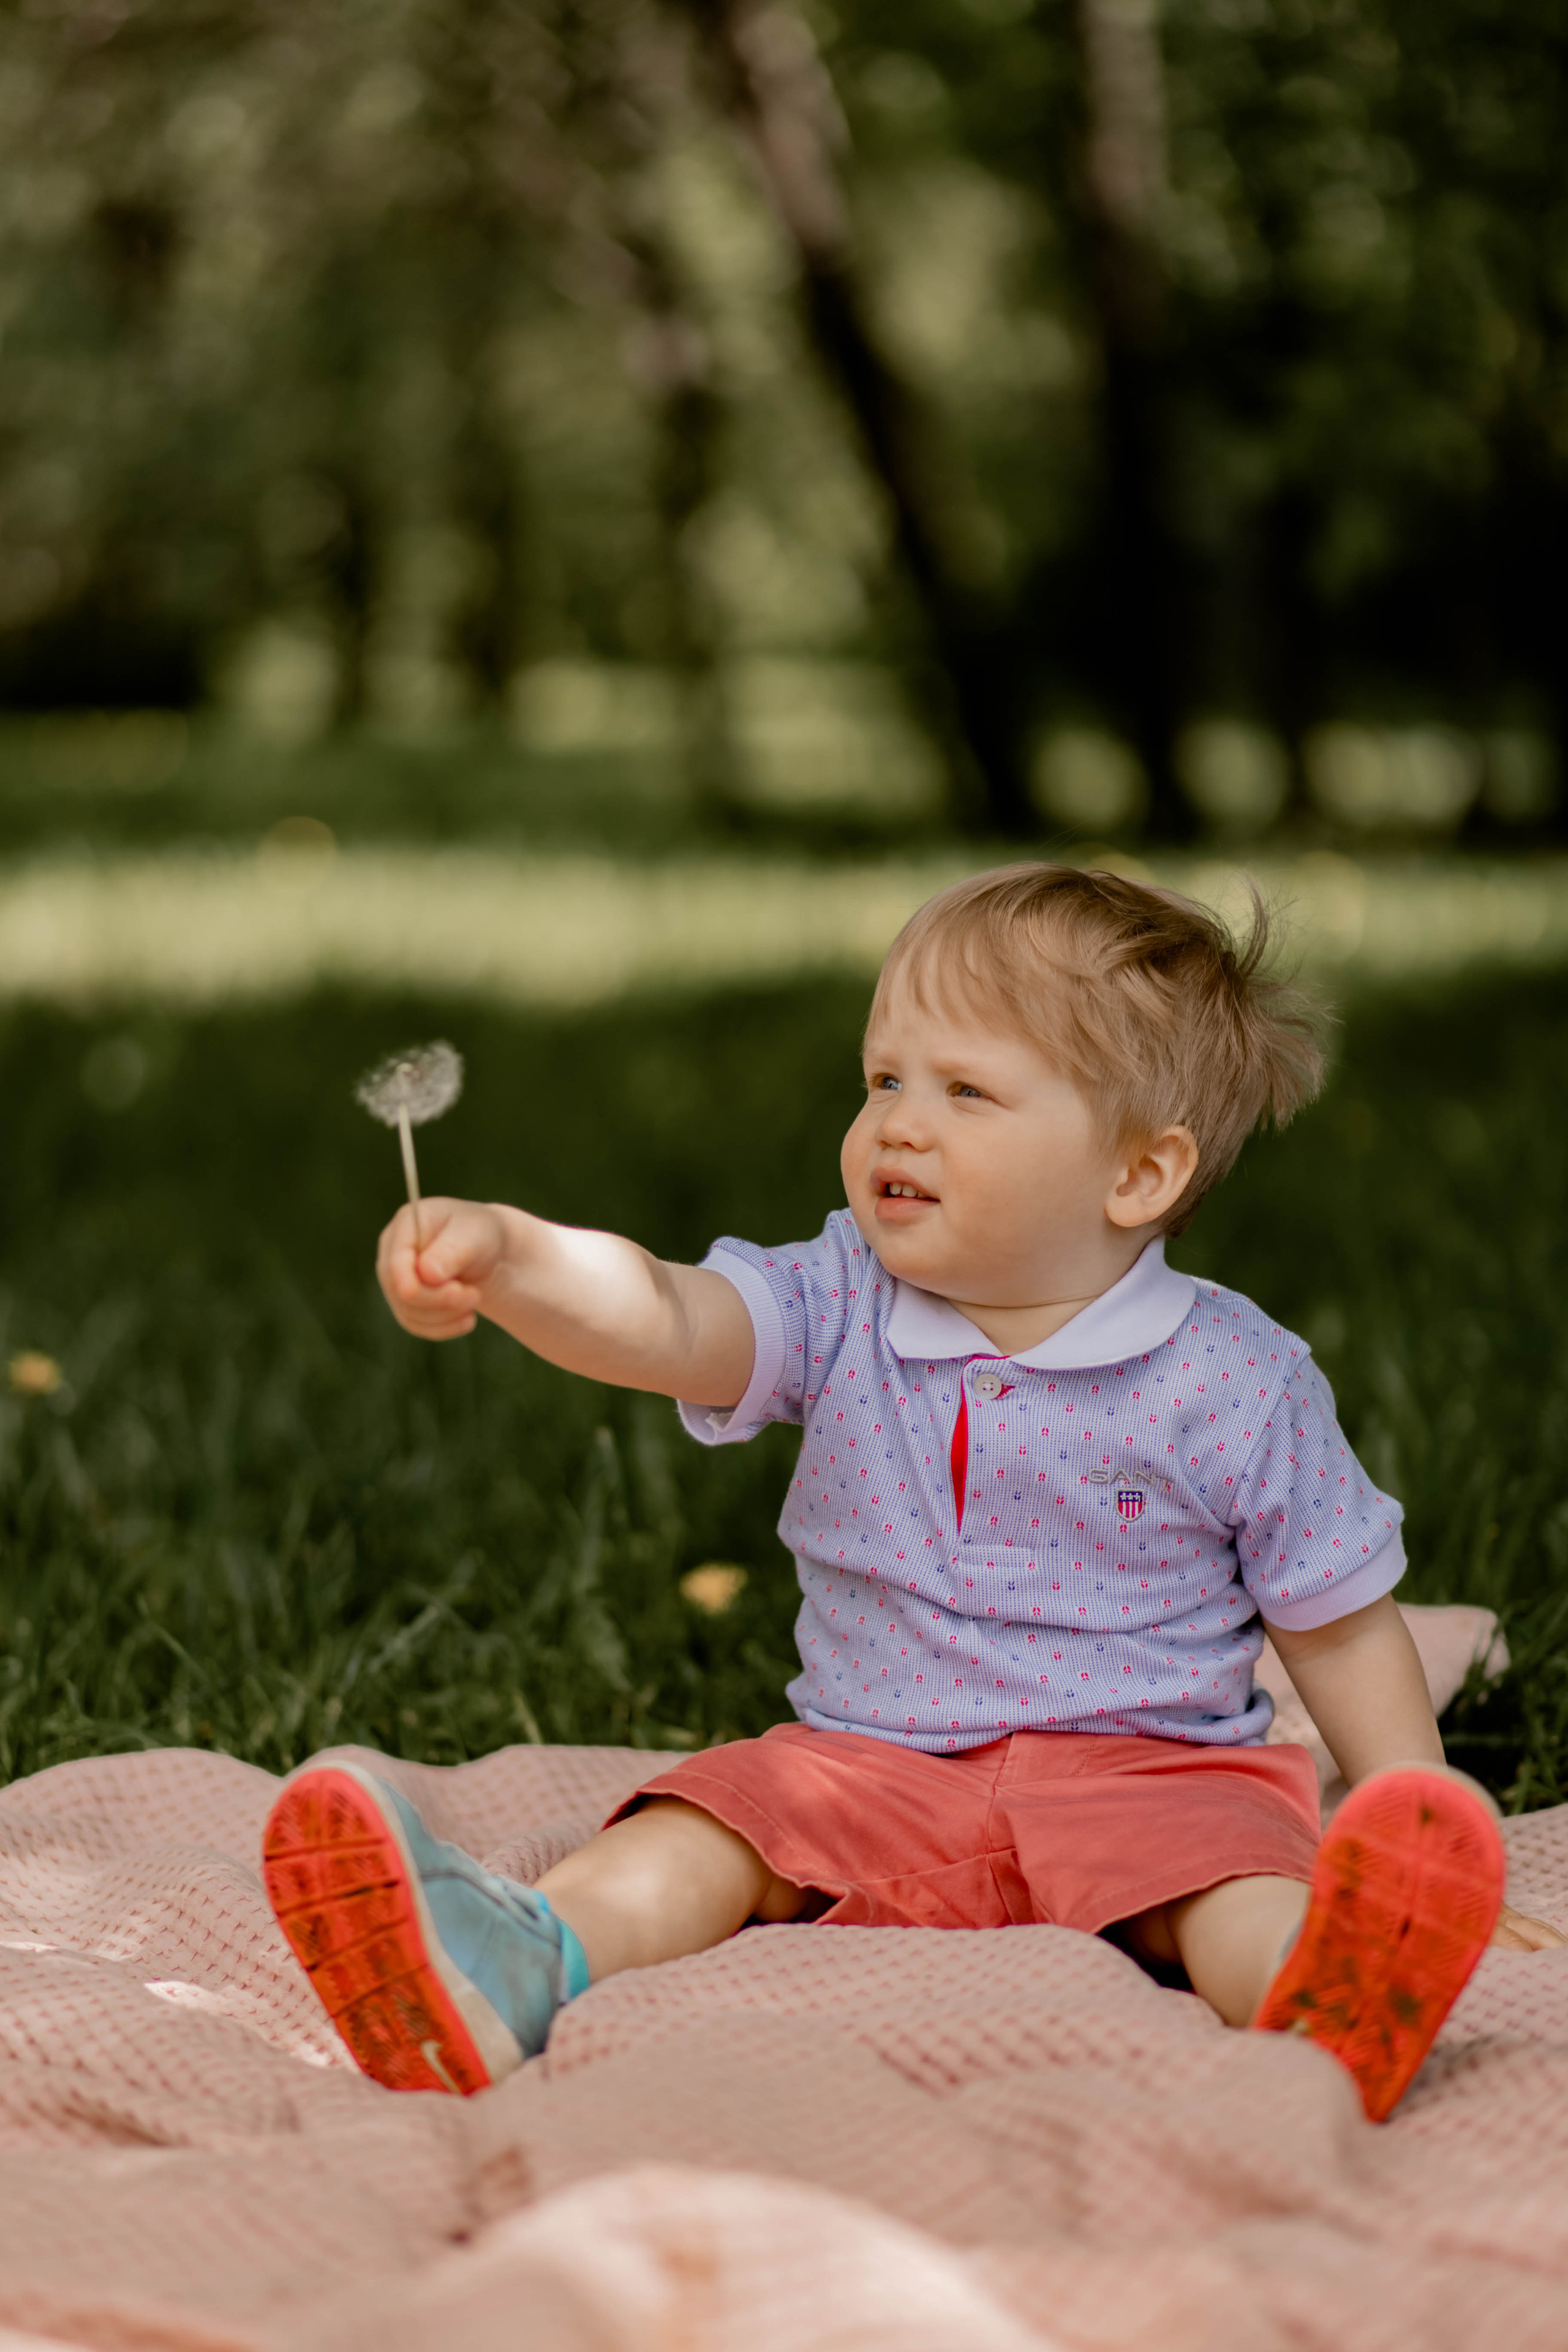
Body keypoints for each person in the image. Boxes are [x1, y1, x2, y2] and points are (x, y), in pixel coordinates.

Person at [263, 864, 1562, 2121]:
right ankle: (517, 1961)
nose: (897, 1121)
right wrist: (512, 1258)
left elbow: (1332, 1619)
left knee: (1228, 1886)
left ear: (1136, 1176)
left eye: (964, 1091)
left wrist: (1410, 1811)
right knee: (708, 1826)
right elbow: (666, 1313)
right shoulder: (837, 1302)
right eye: (883, 1077)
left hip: (1153, 1775)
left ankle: (1331, 1991)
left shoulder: (1235, 1379)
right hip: (867, 1766)